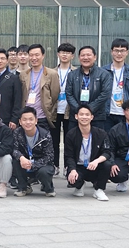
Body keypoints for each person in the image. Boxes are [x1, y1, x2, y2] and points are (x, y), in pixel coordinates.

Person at [65, 106, 111, 201]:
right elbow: (69, 156)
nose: (84, 117)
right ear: (76, 116)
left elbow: (107, 152)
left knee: (107, 164)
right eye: (81, 114)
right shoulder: (71, 134)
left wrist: (96, 161)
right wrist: (72, 170)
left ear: (92, 117)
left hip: (94, 166)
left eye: (87, 115)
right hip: (79, 167)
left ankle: (99, 189)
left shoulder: (101, 133)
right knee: (72, 178)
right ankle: (80, 186)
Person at [65, 46, 113, 132]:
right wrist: (80, 111)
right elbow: (69, 94)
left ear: (95, 57)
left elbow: (105, 94)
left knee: (97, 139)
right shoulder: (72, 75)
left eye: (88, 55)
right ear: (79, 57)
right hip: (76, 116)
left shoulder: (104, 74)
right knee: (74, 139)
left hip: (97, 116)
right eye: (83, 55)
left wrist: (89, 110)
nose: (85, 58)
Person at [11, 107, 56, 197]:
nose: (28, 122)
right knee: (15, 161)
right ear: (20, 122)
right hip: (25, 163)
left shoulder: (45, 135)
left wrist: (33, 164)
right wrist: (21, 158)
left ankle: (48, 188)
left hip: (41, 165)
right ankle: (23, 187)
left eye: (31, 119)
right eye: (24, 120)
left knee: (44, 172)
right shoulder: (17, 132)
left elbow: (49, 156)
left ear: (36, 121)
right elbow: (14, 149)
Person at [19, 44, 60, 131]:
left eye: (37, 55)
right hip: (26, 117)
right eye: (31, 55)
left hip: (42, 117)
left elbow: (54, 94)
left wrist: (47, 105)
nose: (34, 58)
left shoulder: (52, 74)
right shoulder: (23, 74)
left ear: (43, 56)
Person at [104, 38, 129, 129]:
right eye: (116, 50)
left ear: (127, 52)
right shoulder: (103, 71)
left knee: (123, 137)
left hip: (125, 112)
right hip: (107, 113)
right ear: (112, 52)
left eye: (122, 51)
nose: (119, 54)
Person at [54, 42, 76, 172]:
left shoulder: (76, 72)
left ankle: (68, 166)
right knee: (54, 139)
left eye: (68, 53)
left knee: (69, 140)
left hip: (70, 110)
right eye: (62, 52)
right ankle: (55, 165)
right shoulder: (51, 72)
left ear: (72, 56)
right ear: (58, 54)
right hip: (54, 110)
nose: (65, 55)